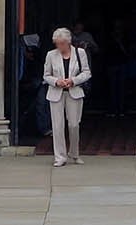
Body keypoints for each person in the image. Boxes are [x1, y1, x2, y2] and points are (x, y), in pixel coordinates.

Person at [43, 25, 91, 166]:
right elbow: (46, 75)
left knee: (74, 125)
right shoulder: (51, 55)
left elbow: (87, 72)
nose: (60, 46)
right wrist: (57, 81)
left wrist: (73, 81)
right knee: (57, 126)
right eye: (57, 43)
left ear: (68, 42)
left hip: (74, 93)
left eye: (62, 43)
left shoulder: (80, 53)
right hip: (56, 94)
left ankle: (74, 153)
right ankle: (60, 157)